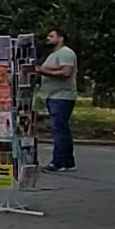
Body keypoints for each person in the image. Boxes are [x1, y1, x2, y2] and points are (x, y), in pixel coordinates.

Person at [39, 28, 77, 172]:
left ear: (61, 38)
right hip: (53, 95)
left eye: (51, 36)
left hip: (61, 96)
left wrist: (44, 71)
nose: (48, 38)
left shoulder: (65, 53)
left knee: (59, 129)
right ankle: (67, 161)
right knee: (61, 129)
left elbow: (66, 72)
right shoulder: (54, 54)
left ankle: (59, 162)